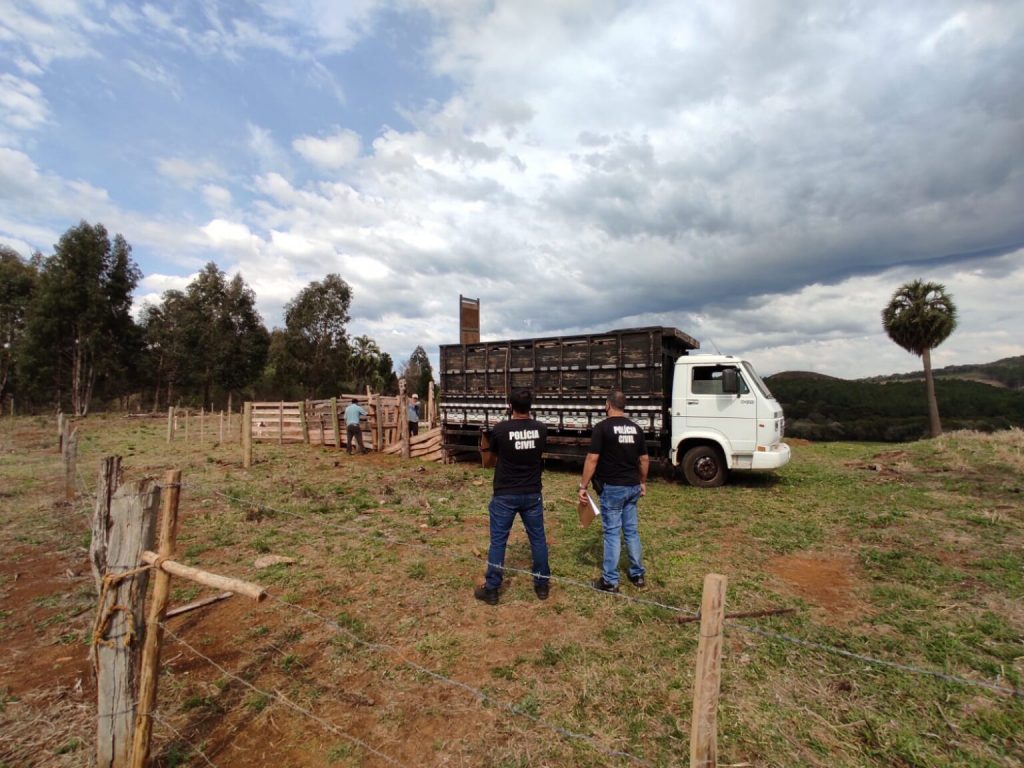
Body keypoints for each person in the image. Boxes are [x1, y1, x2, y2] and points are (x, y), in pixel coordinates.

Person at [474, 388, 551, 605]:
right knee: (538, 539)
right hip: (532, 492)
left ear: (510, 406)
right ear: (531, 406)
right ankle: (542, 585)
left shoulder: (500, 429)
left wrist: (484, 440)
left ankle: (492, 590)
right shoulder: (541, 429)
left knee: (498, 542)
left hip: (505, 494)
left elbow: (489, 461)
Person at [578, 389, 649, 593]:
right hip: (632, 487)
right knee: (631, 531)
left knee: (611, 533)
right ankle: (637, 575)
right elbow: (643, 460)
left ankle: (610, 581)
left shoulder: (602, 428)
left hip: (612, 489)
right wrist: (642, 481)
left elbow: (592, 459)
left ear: (608, 405)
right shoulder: (636, 429)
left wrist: (583, 486)